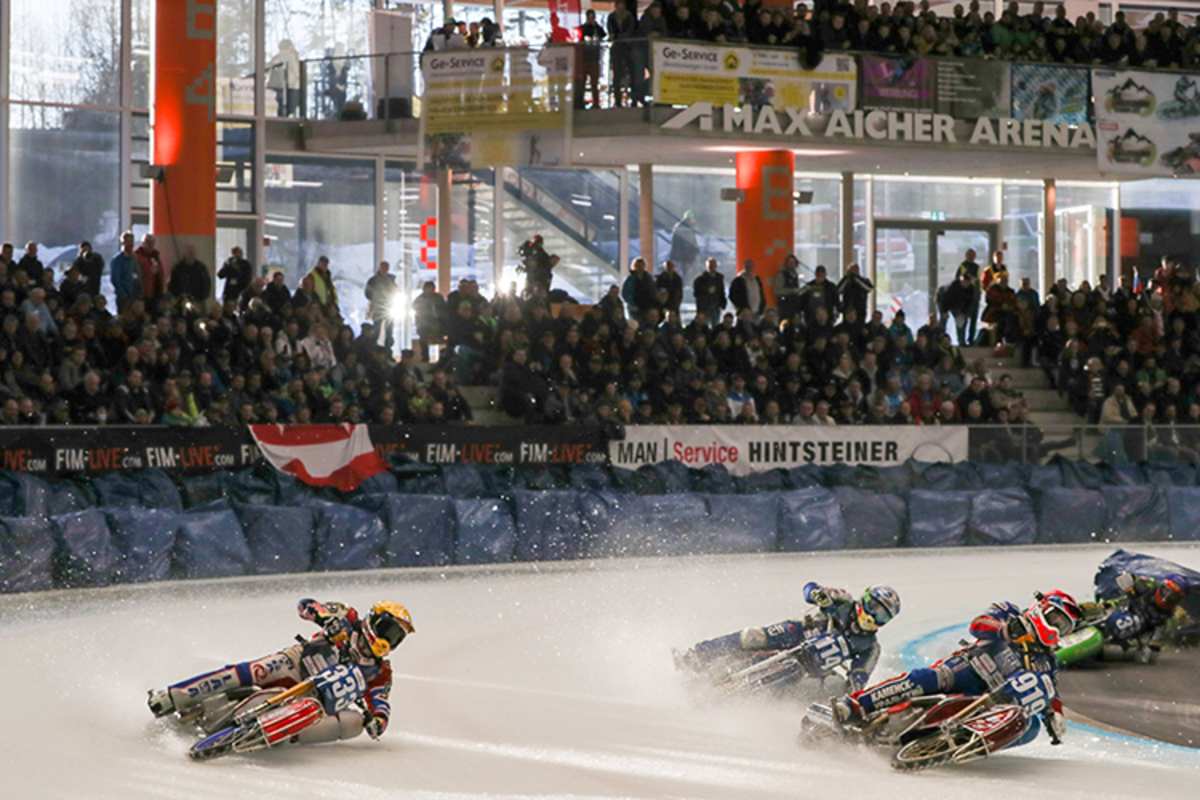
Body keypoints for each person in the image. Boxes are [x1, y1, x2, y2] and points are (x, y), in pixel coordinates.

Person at [834, 590, 1081, 749]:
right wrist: (1005, 630)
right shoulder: (1010, 612)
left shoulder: (1046, 660)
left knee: (1029, 727)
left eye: (1065, 628)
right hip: (967, 668)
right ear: (1042, 609)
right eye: (1056, 620)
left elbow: (1050, 689)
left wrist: (1055, 713)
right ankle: (856, 705)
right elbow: (978, 625)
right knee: (927, 677)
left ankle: (962, 742)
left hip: (990, 699)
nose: (1058, 630)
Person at [148, 599, 413, 745]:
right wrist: (322, 617)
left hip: (316, 697)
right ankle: (174, 695)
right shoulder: (348, 617)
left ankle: (284, 734)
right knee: (258, 670)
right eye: (389, 631)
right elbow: (307, 605)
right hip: (297, 663)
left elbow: (380, 702)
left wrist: (377, 720)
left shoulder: (381, 672)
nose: (389, 641)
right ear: (376, 622)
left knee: (353, 723)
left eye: (396, 639)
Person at [677, 584, 900, 692]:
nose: (873, 616)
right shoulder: (843, 600)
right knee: (754, 636)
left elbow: (858, 678)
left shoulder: (871, 647)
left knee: (832, 687)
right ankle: (697, 654)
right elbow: (810, 588)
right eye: (873, 607)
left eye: (882, 616)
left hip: (814, 666)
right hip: (798, 632)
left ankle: (755, 702)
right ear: (865, 599)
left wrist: (853, 687)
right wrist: (818, 596)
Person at [1089, 572, 1185, 662]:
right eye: (1166, 591)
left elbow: (1150, 655)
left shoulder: (1166, 618)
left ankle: (1097, 651)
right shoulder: (1147, 586)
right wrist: (1128, 583)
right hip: (1117, 609)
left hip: (1129, 638)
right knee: (1093, 608)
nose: (1166, 598)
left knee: (1134, 626)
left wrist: (1148, 648)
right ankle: (1081, 621)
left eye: (1173, 597)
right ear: (1161, 586)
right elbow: (1123, 578)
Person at [365, 261, 400, 350]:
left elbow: (396, 291)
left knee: (389, 332)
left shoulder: (389, 280)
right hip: (380, 308)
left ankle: (387, 351)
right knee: (377, 331)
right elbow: (368, 293)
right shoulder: (375, 280)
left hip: (387, 308)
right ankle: (375, 350)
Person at [267, 39, 302, 117]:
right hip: (290, 86)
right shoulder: (291, 56)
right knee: (288, 110)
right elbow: (297, 72)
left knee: (281, 109)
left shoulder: (276, 57)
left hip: (279, 86)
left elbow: (269, 68)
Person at [110, 232, 140, 313]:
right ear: (123, 242)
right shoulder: (117, 260)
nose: (130, 244)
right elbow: (115, 279)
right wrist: (124, 295)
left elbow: (136, 275)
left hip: (134, 296)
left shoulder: (134, 258)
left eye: (132, 241)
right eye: (128, 241)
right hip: (123, 298)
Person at [668, 210, 700, 281]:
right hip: (683, 256)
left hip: (679, 256)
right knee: (685, 275)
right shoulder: (685, 228)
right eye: (692, 219)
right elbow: (689, 242)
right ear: (689, 219)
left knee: (682, 274)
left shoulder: (681, 226)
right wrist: (695, 250)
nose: (693, 221)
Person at [693, 258, 726, 323]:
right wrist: (707, 291)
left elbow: (722, 292)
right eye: (710, 266)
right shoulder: (700, 279)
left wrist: (722, 303)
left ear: (716, 266)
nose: (712, 267)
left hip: (716, 306)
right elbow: (696, 294)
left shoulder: (719, 278)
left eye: (713, 265)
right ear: (707, 266)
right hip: (704, 308)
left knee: (715, 326)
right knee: (704, 326)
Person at [135, 234, 165, 303]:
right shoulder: (137, 256)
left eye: (152, 243)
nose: (150, 245)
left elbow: (161, 272)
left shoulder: (155, 255)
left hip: (157, 291)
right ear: (143, 243)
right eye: (148, 242)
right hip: (144, 293)